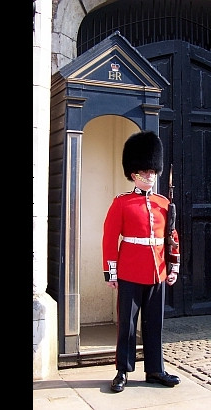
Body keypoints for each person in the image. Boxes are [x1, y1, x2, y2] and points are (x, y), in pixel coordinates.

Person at [102, 130, 181, 393]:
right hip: (129, 270)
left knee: (154, 323)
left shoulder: (163, 203)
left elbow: (171, 237)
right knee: (127, 324)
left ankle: (155, 369)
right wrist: (111, 272)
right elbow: (110, 238)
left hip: (157, 271)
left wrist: (173, 267)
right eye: (145, 172)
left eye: (152, 172)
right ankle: (122, 370)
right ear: (134, 173)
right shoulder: (122, 203)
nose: (150, 176)